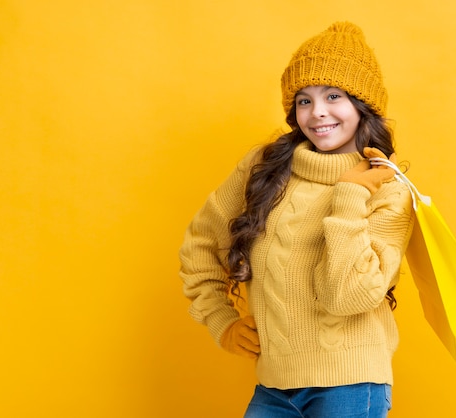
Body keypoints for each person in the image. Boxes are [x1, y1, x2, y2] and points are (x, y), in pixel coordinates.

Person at [179, 21, 414, 418]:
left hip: (351, 386)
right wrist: (222, 321)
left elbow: (348, 297)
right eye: (303, 100)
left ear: (363, 105)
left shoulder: (389, 189)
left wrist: (350, 194)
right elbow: (200, 245)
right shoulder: (264, 168)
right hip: (273, 386)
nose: (317, 112)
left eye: (333, 96)